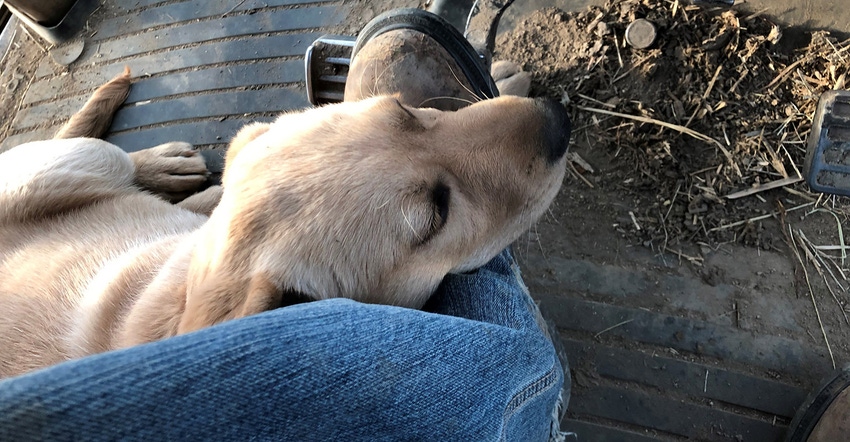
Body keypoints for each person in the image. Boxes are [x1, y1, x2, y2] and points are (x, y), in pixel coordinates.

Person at [0, 10, 570, 441]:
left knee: (89, 164)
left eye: (405, 114)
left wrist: (133, 176)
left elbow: (253, 155)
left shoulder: (253, 161)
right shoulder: (272, 314)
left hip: (24, 210)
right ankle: (531, 402)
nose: (532, 119)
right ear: (298, 324)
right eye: (433, 211)